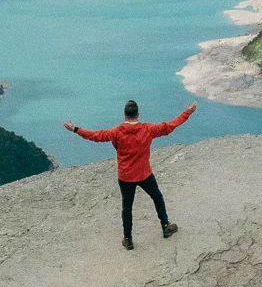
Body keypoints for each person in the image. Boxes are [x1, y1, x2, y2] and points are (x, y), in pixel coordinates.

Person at [64, 100, 196, 250]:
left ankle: (128, 239)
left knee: (127, 207)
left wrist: (75, 129)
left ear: (125, 115)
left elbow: (96, 136)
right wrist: (188, 113)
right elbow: (169, 126)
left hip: (125, 176)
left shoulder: (116, 132)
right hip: (144, 173)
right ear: (138, 114)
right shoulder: (148, 129)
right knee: (157, 197)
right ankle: (165, 227)